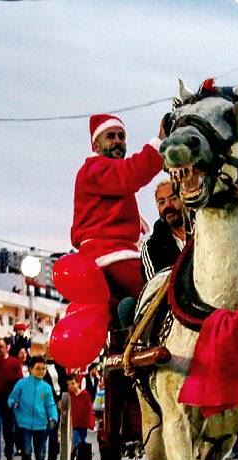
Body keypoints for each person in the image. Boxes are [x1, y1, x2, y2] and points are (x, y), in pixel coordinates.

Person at [71, 113, 165, 314]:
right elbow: (132, 172)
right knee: (162, 291)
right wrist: (160, 143)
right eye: (111, 136)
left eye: (122, 137)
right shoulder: (95, 168)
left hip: (108, 255)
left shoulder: (103, 176)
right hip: (111, 255)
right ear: (95, 146)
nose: (118, 142)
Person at [8, 356, 58, 460]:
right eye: (38, 368)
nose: (41, 371)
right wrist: (13, 404)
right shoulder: (22, 384)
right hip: (23, 424)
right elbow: (12, 398)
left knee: (40, 452)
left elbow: (51, 405)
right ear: (30, 369)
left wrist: (53, 418)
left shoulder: (46, 388)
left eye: (44, 369)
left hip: (41, 425)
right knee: (26, 450)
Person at [142, 179, 189, 281]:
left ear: (184, 199)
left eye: (173, 199)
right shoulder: (152, 247)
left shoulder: (203, 232)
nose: (167, 205)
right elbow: (156, 288)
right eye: (162, 202)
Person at [67, 375, 95, 454]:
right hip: (73, 424)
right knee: (76, 440)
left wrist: (90, 422)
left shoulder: (85, 394)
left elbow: (89, 409)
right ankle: (79, 455)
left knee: (82, 441)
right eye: (68, 384)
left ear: (78, 383)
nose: (70, 386)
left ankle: (83, 456)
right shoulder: (68, 396)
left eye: (73, 383)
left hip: (83, 423)